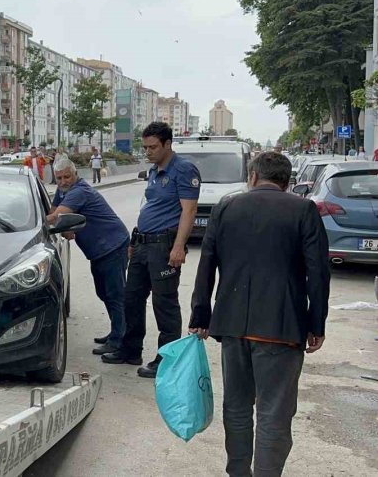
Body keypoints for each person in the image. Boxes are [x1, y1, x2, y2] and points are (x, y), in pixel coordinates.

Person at [189, 151, 329, 476]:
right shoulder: (303, 209)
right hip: (281, 328)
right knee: (274, 414)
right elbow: (318, 272)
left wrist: (201, 314)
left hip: (233, 326)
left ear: (252, 177)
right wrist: (315, 323)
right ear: (287, 181)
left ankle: (238, 472)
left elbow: (207, 261)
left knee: (236, 407)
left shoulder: (227, 206)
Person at [101, 121, 200, 378]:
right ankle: (130, 350)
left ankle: (166, 360)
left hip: (164, 247)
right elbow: (149, 208)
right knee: (131, 299)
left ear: (168, 144)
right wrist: (135, 242)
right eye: (145, 147)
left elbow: (189, 211)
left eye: (153, 147)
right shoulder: (155, 171)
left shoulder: (183, 169)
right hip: (144, 244)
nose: (148, 152)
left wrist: (179, 247)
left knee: (164, 304)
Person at [48, 157, 130, 355]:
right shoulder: (63, 190)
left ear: (75, 174)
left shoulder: (79, 191)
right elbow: (55, 211)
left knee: (115, 294)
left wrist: (31, 222)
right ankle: (115, 332)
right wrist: (64, 226)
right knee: (104, 293)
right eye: (59, 178)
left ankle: (121, 340)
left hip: (112, 246)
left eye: (67, 176)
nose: (63, 181)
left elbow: (55, 217)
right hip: (99, 250)